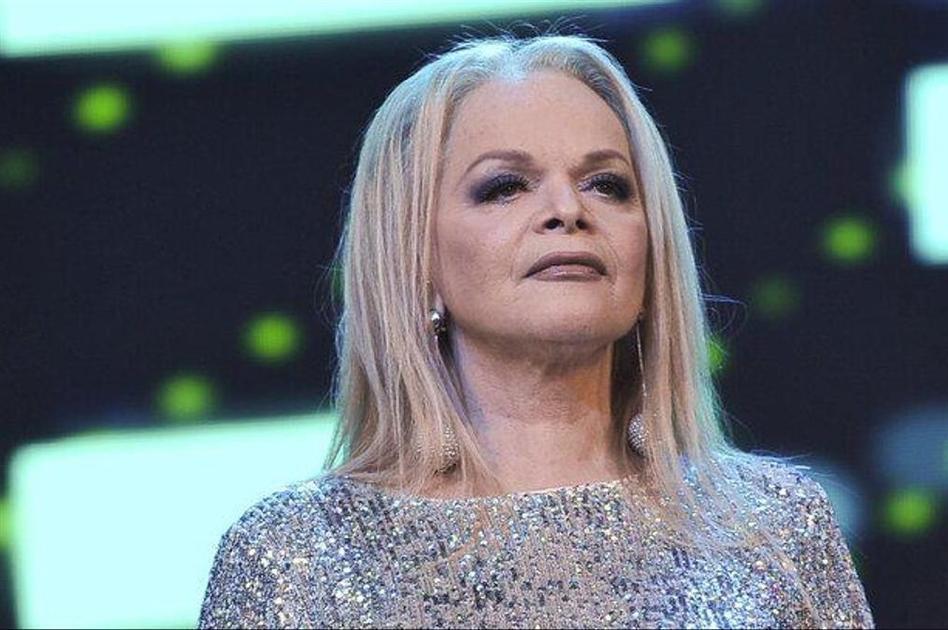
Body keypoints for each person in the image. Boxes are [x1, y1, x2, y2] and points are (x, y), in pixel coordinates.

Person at [197, 32, 875, 629]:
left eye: (607, 185)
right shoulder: (296, 555)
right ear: (413, 259)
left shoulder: (774, 528)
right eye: (504, 187)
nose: (567, 209)